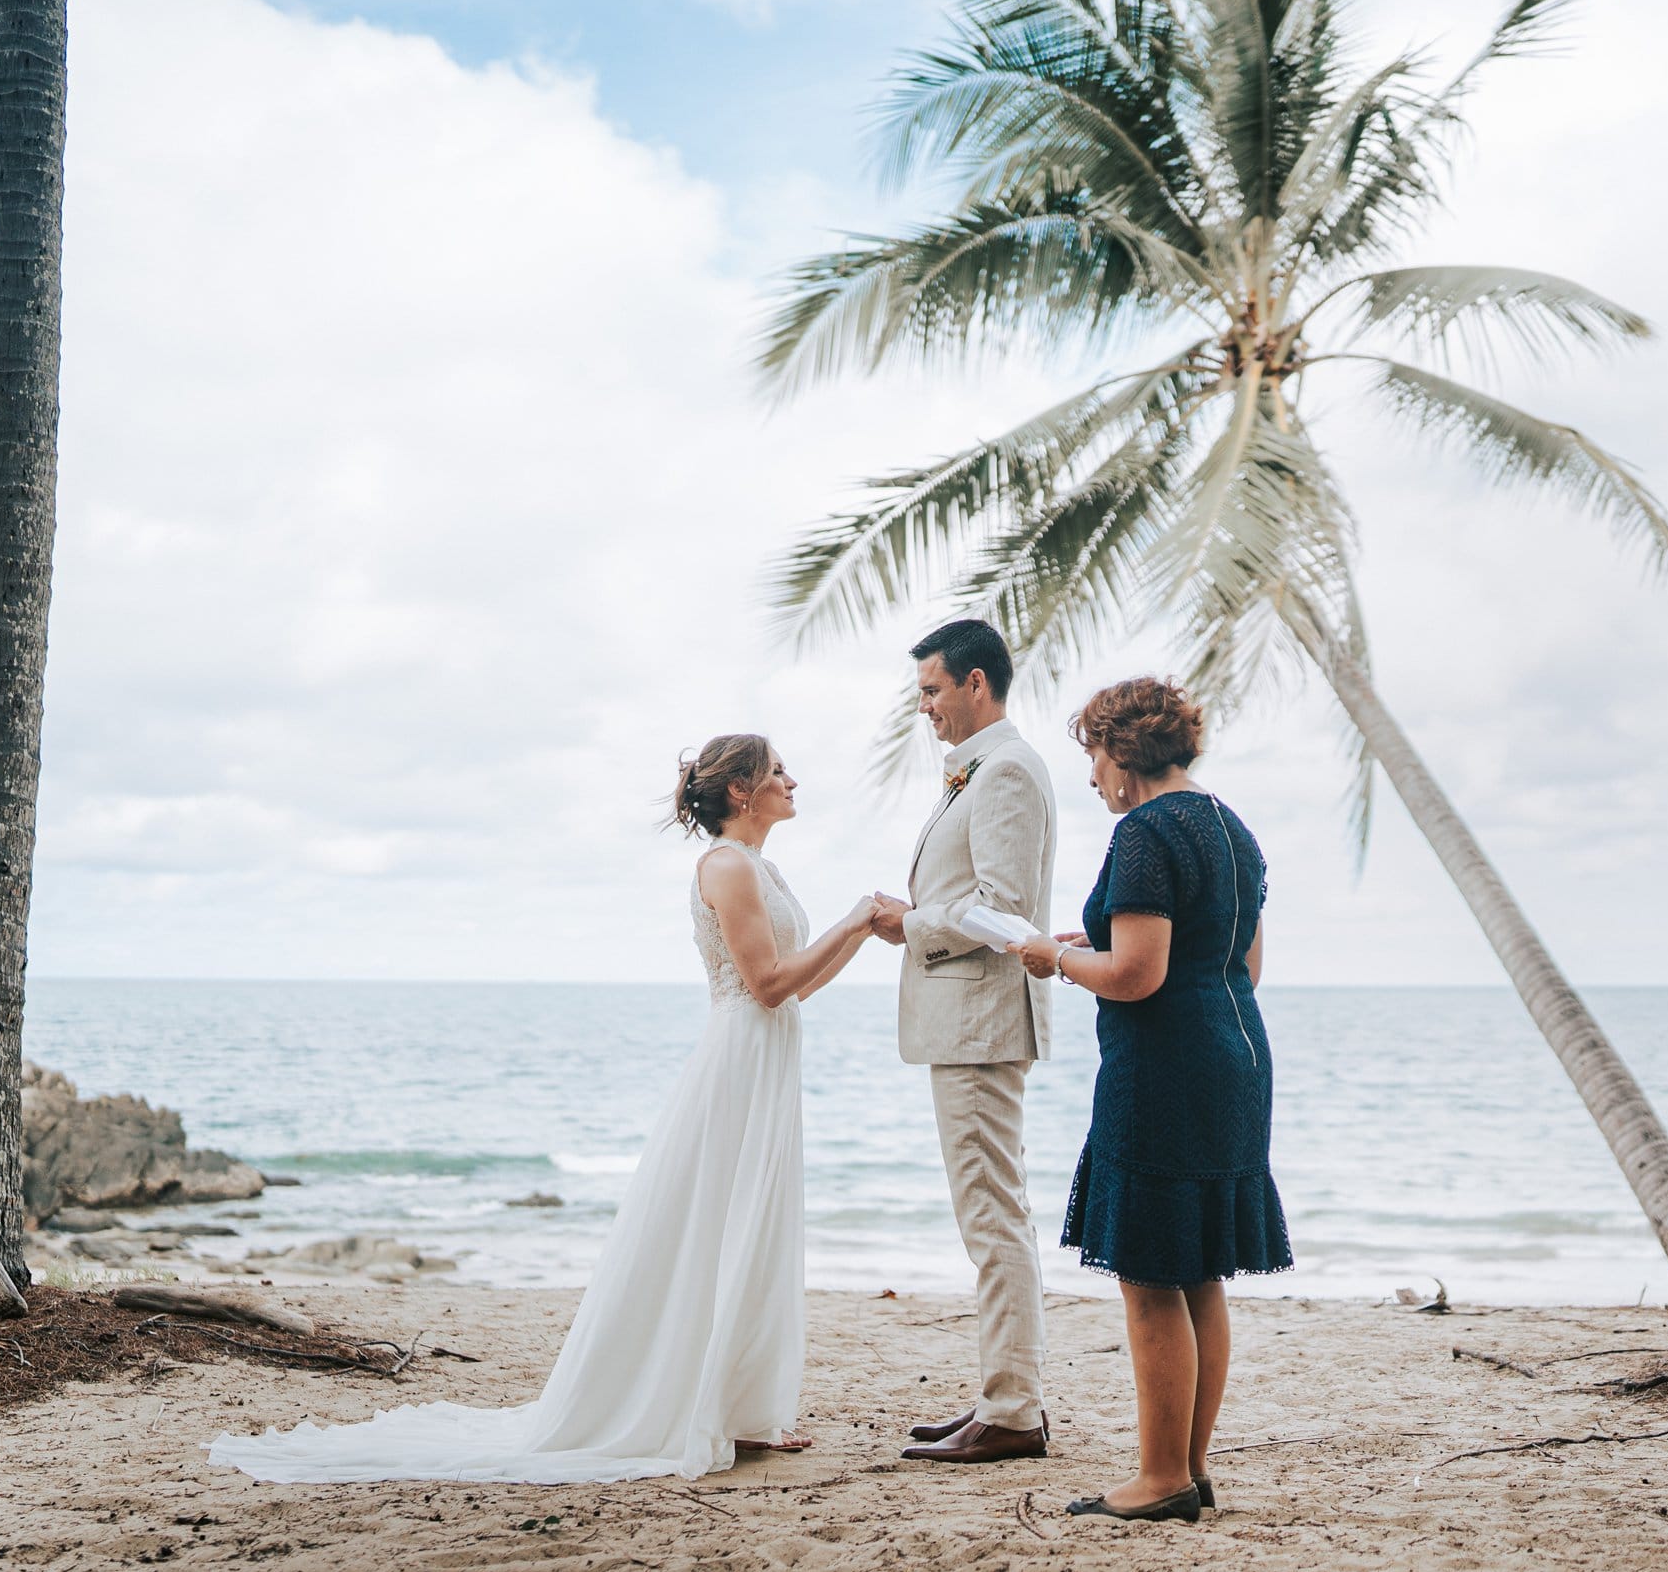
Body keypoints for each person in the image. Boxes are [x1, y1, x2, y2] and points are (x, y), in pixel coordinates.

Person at [207, 735, 876, 1484]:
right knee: (723, 1220)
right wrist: (854, 922)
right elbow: (766, 983)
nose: (794, 778)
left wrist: (860, 933)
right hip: (740, 1060)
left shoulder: (762, 866)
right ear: (744, 791)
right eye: (778, 769)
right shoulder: (725, 864)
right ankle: (703, 1405)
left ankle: (745, 1407)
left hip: (769, 1054)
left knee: (756, 1221)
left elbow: (796, 985)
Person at [1010, 678, 1291, 1523]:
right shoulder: (1230, 828)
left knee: (1148, 1273)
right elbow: (1239, 962)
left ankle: (1160, 1475)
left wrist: (1054, 958)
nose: (1092, 776)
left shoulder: (1144, 833)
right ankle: (1189, 1468)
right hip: (1236, 1051)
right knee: (1198, 1268)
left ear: (1123, 752)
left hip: (1164, 1067)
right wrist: (1095, 944)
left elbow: (1137, 976)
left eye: (1093, 755)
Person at [866, 619, 1060, 1464]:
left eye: (933, 691)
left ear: (977, 683)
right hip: (967, 1024)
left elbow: (1002, 905)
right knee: (990, 1212)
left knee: (992, 1217)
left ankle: (1013, 1409)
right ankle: (1003, 1395)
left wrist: (910, 923)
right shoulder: (979, 771)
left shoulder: (1008, 770)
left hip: (982, 1024)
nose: (927, 709)